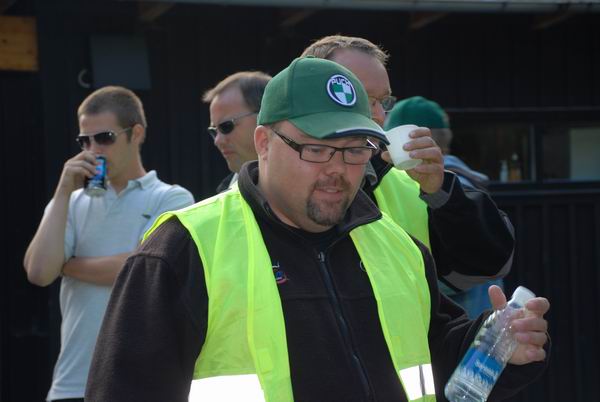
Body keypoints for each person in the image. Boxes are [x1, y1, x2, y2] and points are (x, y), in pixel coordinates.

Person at [86, 57, 549, 402]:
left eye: (355, 149)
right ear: (264, 143)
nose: (338, 169)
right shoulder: (183, 249)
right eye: (316, 149)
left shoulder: (400, 248)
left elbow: (436, 364)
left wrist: (497, 345)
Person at [301, 35, 514, 299]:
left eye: (383, 101)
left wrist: (442, 192)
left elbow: (488, 266)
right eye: (362, 98)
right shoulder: (276, 186)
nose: (379, 115)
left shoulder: (409, 183)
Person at [23, 86, 195, 402]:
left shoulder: (172, 198)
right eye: (84, 141)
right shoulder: (70, 202)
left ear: (136, 133)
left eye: (104, 138)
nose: (93, 150)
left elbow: (141, 270)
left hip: (138, 383)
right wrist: (63, 190)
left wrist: (68, 265)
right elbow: (39, 272)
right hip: (72, 382)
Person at [385, 95, 503, 318]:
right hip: (483, 320)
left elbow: (458, 271)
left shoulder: (433, 187)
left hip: (460, 327)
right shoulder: (464, 183)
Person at [202, 71, 272, 193]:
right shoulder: (223, 194)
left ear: (264, 118)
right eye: (214, 131)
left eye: (226, 126)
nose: (217, 141)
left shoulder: (303, 187)